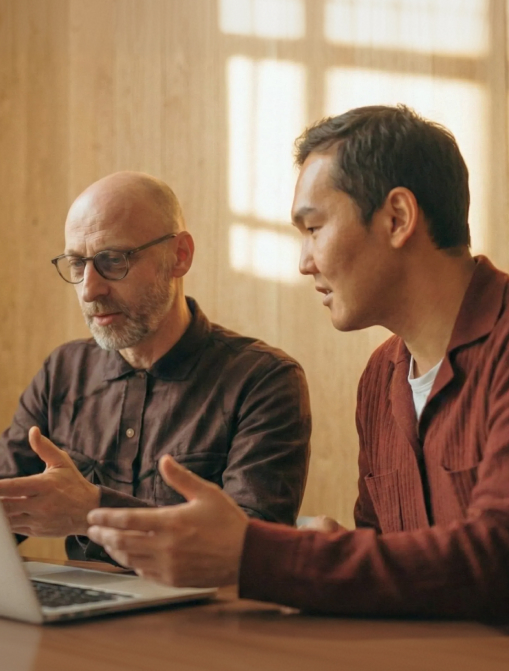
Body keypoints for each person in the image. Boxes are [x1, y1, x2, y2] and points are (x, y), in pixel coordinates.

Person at [87, 106, 509, 620]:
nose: (304, 263)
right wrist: (330, 554)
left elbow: (495, 558)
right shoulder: (381, 377)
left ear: (397, 218)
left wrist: (259, 555)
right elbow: (395, 563)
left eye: (313, 228)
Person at [0, 171, 311, 562]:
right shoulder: (63, 371)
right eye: (77, 264)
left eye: (113, 260)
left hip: (199, 604)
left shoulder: (262, 380)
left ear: (179, 256)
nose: (90, 290)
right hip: (79, 601)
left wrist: (93, 511)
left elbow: (252, 551)